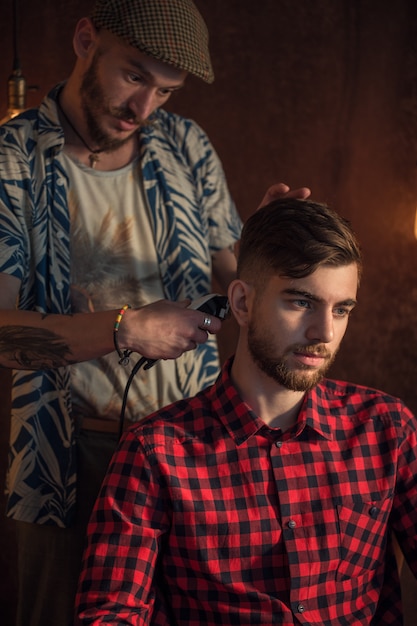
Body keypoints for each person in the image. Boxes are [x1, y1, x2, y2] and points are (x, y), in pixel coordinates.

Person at [0, 1, 310, 624]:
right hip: (67, 457)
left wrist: (271, 246)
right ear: (86, 38)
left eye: (164, 91)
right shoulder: (12, 159)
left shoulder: (186, 144)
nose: (143, 108)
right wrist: (125, 329)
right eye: (134, 76)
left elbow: (232, 272)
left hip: (193, 449)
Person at [75, 197, 417, 625]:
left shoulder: (387, 427)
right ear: (242, 303)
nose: (324, 333)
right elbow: (111, 613)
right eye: (300, 302)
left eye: (342, 309)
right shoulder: (155, 452)